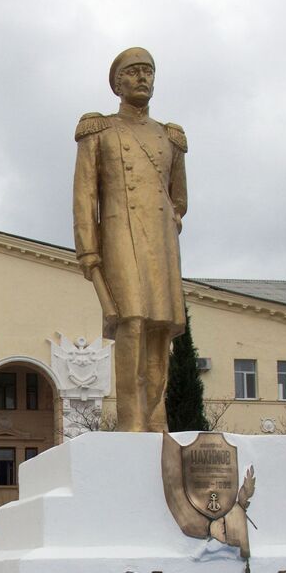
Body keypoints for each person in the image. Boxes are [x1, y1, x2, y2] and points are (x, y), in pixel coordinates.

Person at [73, 46, 188, 432]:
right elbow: (85, 196)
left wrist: (171, 225)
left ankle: (156, 416)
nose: (142, 78)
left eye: (148, 72)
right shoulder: (99, 130)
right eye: (133, 72)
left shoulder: (169, 137)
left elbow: (179, 199)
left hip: (160, 242)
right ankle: (131, 419)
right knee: (132, 319)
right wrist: (89, 253)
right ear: (117, 82)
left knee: (159, 329)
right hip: (119, 234)